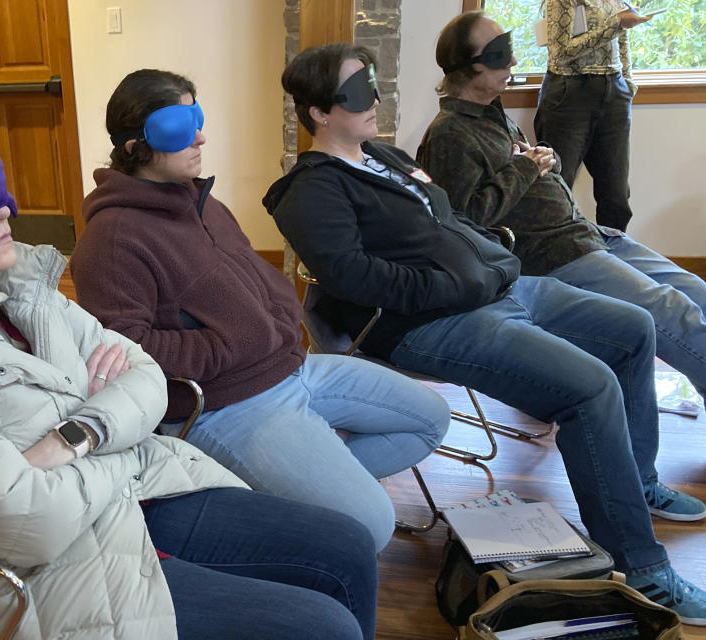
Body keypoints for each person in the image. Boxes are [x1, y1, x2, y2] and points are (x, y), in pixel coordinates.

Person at [0, 103, 381, 640]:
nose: (2, 208)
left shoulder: (22, 288)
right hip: (50, 573)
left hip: (136, 493)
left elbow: (146, 372)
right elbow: (32, 525)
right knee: (323, 627)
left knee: (349, 545)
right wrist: (112, 423)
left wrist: (75, 436)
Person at [263, 43, 706, 625]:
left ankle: (637, 479)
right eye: (357, 93)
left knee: (632, 326)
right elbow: (354, 279)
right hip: (429, 323)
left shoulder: (385, 157)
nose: (375, 99)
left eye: (372, 84)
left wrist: (491, 260)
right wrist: (453, 286)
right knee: (589, 387)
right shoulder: (312, 189)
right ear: (320, 111)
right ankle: (643, 569)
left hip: (496, 289)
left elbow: (448, 221)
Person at [69, 69, 450, 554]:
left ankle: (297, 487)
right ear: (134, 144)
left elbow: (256, 279)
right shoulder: (113, 238)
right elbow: (125, 347)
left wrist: (274, 315)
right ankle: (298, 495)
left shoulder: (204, 203)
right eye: (180, 126)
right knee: (370, 528)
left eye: (198, 117)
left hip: (293, 368)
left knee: (430, 418)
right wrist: (228, 344)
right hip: (227, 405)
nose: (201, 135)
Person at [419, 11, 706, 410]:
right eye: (502, 55)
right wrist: (524, 167)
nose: (514, 63)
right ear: (469, 67)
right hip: (552, 256)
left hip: (585, 235)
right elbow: (464, 220)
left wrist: (538, 161)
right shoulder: (450, 132)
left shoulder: (491, 114)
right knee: (671, 309)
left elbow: (512, 178)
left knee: (695, 290)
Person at [533, 0, 652, 231]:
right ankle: (555, 259)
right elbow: (562, 52)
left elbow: (622, 38)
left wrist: (627, 83)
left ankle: (615, 259)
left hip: (614, 92)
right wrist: (617, 24)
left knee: (616, 195)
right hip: (570, 92)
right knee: (557, 189)